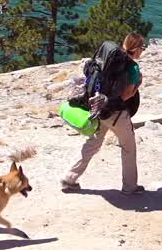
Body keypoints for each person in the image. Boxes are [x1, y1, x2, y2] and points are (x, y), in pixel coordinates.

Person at [60, 33, 146, 195]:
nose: (142, 51)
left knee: (92, 144)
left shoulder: (109, 59)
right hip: (117, 114)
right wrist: (137, 84)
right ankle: (129, 187)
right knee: (128, 148)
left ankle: (69, 178)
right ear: (137, 49)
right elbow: (126, 95)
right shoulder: (132, 67)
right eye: (142, 48)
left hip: (98, 109)